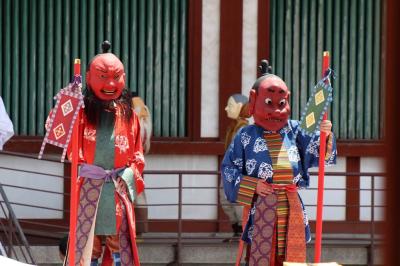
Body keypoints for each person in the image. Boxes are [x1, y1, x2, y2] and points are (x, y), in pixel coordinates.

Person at [221, 61, 336, 265]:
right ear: (254, 100)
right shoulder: (245, 135)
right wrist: (252, 184)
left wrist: (325, 135)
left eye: (280, 104)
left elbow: (314, 144)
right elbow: (229, 169)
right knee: (263, 257)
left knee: (293, 258)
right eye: (269, 103)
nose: (276, 110)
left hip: (291, 205)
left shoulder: (295, 130)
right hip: (262, 206)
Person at [64, 41, 145, 266]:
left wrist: (127, 178)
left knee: (119, 243)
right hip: (89, 186)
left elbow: (137, 155)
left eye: (116, 77)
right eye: (102, 76)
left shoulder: (130, 116)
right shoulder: (80, 113)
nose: (110, 83)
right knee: (89, 245)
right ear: (89, 77)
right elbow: (62, 138)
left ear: (124, 78)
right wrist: (68, 104)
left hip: (117, 187)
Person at [220, 94, 250, 238]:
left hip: (237, 171)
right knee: (225, 200)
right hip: (228, 169)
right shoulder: (233, 127)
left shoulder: (244, 129)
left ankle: (240, 231)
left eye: (230, 106)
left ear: (240, 107)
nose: (226, 108)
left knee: (237, 201)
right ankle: (236, 229)